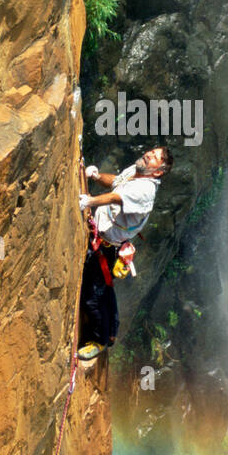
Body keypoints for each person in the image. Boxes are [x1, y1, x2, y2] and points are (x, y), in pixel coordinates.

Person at [77, 146, 173, 359]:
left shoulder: (145, 190)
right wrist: (97, 175)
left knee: (93, 296)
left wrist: (89, 201)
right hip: (102, 239)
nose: (148, 154)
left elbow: (115, 197)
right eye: (151, 151)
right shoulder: (137, 169)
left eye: (154, 157)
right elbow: (116, 182)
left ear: (158, 171)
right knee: (105, 290)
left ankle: (99, 341)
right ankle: (111, 333)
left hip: (107, 248)